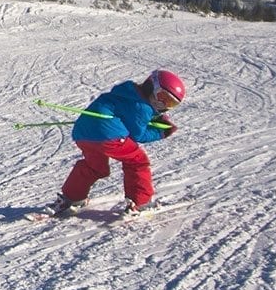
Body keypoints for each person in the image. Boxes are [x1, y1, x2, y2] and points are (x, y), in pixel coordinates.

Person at [47, 69, 184, 218]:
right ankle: (141, 202)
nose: (162, 104)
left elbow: (126, 116)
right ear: (151, 86)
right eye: (162, 97)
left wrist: (150, 121)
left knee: (95, 166)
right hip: (109, 136)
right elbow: (139, 135)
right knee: (137, 161)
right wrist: (162, 132)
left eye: (170, 103)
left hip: (83, 133)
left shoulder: (126, 92)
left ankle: (72, 198)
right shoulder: (142, 106)